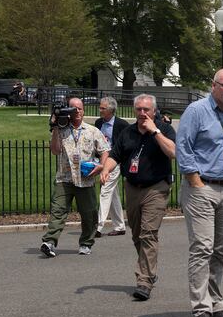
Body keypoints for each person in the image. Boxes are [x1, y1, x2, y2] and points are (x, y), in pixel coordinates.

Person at [176, 68, 223, 317]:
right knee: (202, 248)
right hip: (201, 186)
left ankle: (216, 304)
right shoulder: (196, 110)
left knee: (219, 250)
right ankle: (201, 310)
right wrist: (194, 180)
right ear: (213, 85)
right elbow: (183, 146)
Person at [100, 94, 176, 301]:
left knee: (148, 234)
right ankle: (149, 270)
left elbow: (173, 152)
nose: (142, 113)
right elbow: (115, 155)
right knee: (137, 234)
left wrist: (156, 132)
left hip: (156, 188)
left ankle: (144, 281)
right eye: (139, 110)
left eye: (146, 110)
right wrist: (106, 170)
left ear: (153, 111)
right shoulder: (128, 132)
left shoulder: (165, 129)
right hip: (133, 187)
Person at [40, 97, 109, 258]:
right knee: (58, 211)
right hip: (64, 179)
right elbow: (55, 151)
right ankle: (49, 242)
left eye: (79, 108)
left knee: (89, 213)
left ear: (84, 111)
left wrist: (101, 166)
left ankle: (86, 243)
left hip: (85, 179)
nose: (77, 111)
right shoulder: (62, 129)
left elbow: (105, 151)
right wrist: (55, 127)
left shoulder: (92, 131)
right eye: (73, 109)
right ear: (67, 111)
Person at [95, 97, 129, 238]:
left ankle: (98, 226)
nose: (100, 110)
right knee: (113, 194)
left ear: (110, 110)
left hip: (114, 162)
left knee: (105, 190)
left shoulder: (122, 124)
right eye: (100, 107)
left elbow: (127, 145)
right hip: (101, 160)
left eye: (103, 108)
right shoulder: (98, 123)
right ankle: (120, 226)